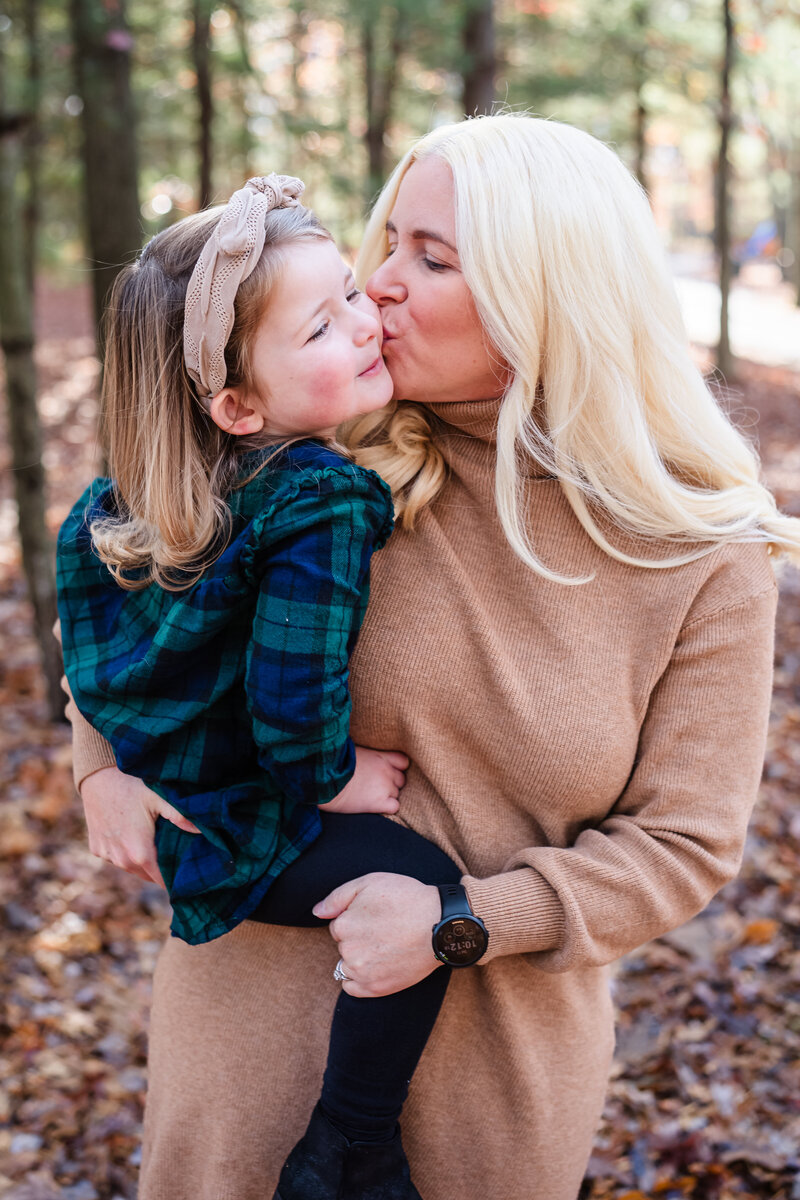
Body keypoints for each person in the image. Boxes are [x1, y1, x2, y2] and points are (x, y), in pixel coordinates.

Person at [65, 115, 800, 1200]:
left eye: (432, 258)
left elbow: (683, 846)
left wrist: (462, 922)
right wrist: (98, 766)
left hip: (485, 1095)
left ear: (545, 292)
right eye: (388, 243)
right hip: (239, 1058)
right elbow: (134, 580)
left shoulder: (698, 552)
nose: (380, 283)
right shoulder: (308, 451)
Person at [56, 172, 482, 1200]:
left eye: (348, 291)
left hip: (178, 804)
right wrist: (329, 777)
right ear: (237, 404)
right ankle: (348, 1144)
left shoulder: (113, 506)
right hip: (239, 819)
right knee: (418, 892)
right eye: (322, 329)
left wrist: (120, 760)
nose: (363, 322)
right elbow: (292, 696)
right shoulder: (323, 496)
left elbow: (88, 649)